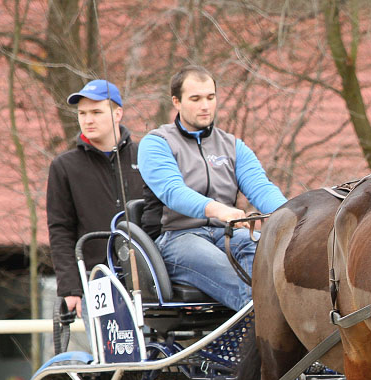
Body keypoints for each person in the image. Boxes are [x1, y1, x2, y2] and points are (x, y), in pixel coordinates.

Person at [138, 65, 287, 311]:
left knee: (266, 253)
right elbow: (173, 192)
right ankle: (258, 335)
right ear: (177, 101)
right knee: (240, 281)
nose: (205, 106)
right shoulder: (156, 143)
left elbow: (261, 189)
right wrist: (219, 210)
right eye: (195, 99)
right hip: (177, 238)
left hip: (227, 235)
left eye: (210, 97)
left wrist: (296, 215)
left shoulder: (233, 146)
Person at [46, 79, 145, 318]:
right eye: (82, 113)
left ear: (118, 113)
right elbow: (60, 231)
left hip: (149, 277)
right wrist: (71, 289)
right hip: (97, 280)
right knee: (109, 354)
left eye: (96, 112)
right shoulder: (64, 167)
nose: (88, 120)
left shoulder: (147, 156)